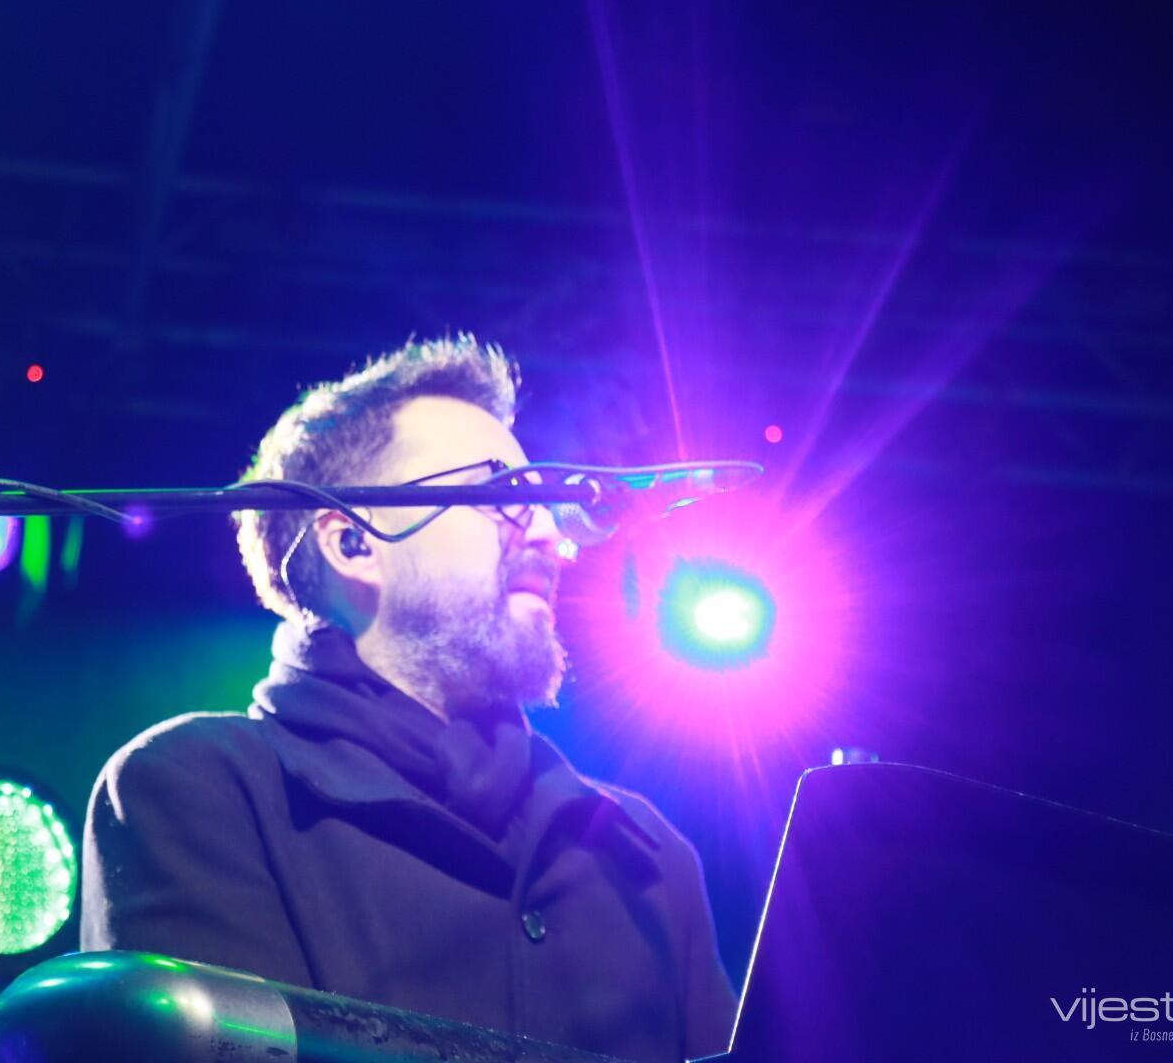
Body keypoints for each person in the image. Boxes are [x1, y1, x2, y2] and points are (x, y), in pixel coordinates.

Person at [81, 336, 736, 1063]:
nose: (552, 535)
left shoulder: (648, 856)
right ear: (353, 545)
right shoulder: (197, 788)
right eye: (503, 497)